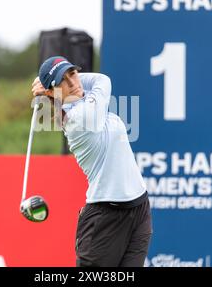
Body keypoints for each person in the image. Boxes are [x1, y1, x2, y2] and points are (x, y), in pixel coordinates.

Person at [32, 56, 152, 267]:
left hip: (139, 208)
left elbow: (90, 82)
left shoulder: (83, 101)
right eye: (63, 81)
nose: (73, 83)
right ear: (53, 92)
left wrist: (52, 84)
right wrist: (49, 88)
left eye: (73, 73)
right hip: (105, 218)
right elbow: (103, 80)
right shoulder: (81, 118)